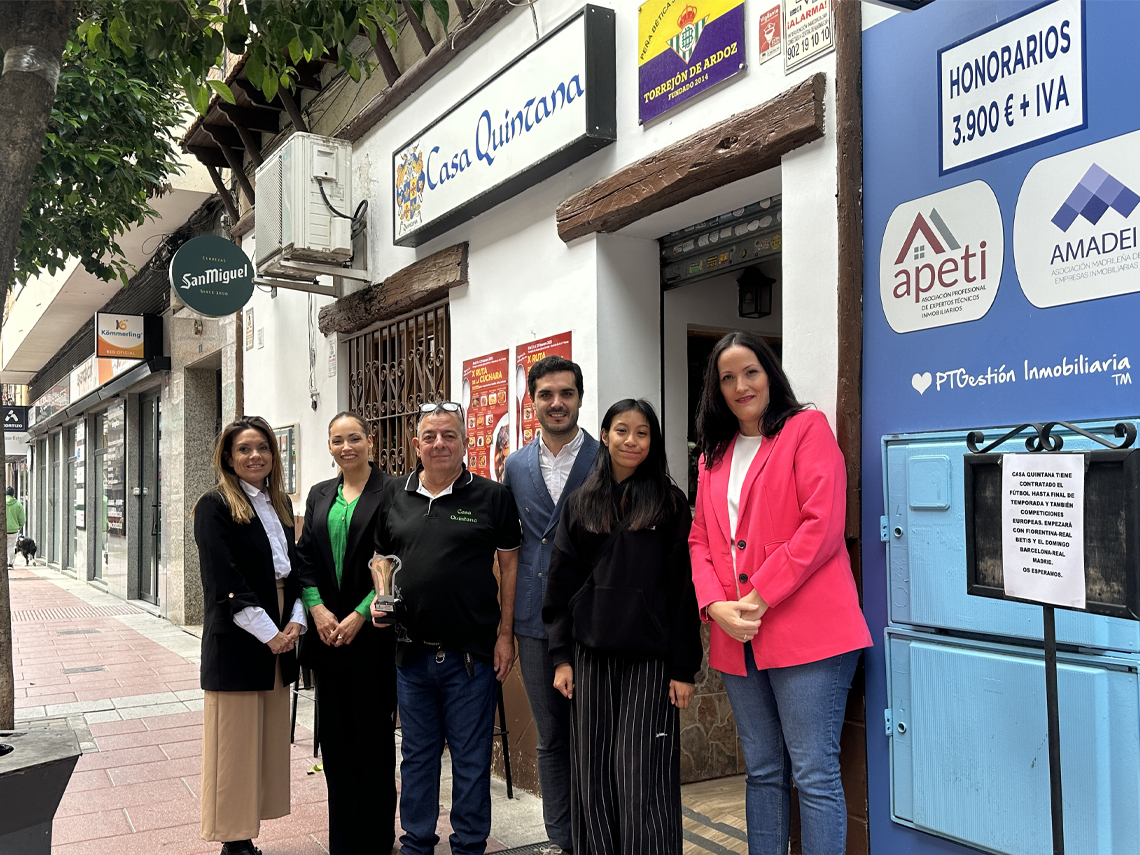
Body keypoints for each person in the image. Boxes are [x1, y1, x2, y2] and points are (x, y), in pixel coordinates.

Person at [688, 331, 872, 855]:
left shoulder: (806, 429)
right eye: (727, 377)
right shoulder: (712, 456)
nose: (741, 385)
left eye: (751, 371)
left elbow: (822, 524)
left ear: (770, 373)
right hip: (737, 635)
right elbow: (699, 538)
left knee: (813, 773)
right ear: (716, 388)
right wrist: (714, 605)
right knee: (763, 770)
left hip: (809, 632)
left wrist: (760, 596)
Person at [543, 398, 702, 855]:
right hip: (590, 656)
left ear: (653, 441)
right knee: (592, 772)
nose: (631, 441)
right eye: (621, 430)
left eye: (642, 433)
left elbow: (683, 590)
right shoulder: (581, 503)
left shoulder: (670, 504)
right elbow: (560, 585)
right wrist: (561, 658)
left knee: (641, 773)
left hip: (650, 660)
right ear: (605, 436)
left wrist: (683, 669)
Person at [371, 401, 521, 855]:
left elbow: (509, 567)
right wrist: (379, 597)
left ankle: (469, 846)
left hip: (471, 657)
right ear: (415, 444)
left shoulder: (492, 496)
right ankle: (416, 844)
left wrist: (505, 635)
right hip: (410, 654)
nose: (440, 443)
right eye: (430, 436)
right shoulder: (394, 494)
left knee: (471, 760)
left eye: (449, 435)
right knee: (417, 757)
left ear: (465, 443)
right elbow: (381, 558)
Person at [194, 416, 308, 855]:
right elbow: (224, 580)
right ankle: (234, 843)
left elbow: (292, 571)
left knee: (266, 741)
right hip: (240, 633)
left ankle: (247, 834)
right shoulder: (214, 505)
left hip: (280, 624)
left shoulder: (279, 505)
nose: (254, 455)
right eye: (244, 449)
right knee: (234, 745)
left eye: (262, 447)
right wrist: (270, 634)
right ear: (228, 457)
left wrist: (295, 620)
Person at [502, 356, 598, 855]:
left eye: (566, 393)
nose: (556, 403)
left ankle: (596, 835)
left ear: (580, 397)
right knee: (551, 736)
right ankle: (562, 839)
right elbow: (507, 546)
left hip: (596, 619)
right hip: (535, 618)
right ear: (532, 401)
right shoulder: (515, 466)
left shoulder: (607, 457)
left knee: (595, 734)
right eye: (546, 394)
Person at [296, 412, 397, 855]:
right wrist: (316, 609)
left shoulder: (393, 491)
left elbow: (393, 559)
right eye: (337, 440)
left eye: (354, 438)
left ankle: (375, 839)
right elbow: (304, 557)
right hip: (327, 639)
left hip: (371, 637)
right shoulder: (321, 493)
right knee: (335, 744)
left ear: (370, 441)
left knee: (373, 742)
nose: (346, 447)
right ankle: (343, 839)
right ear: (329, 446)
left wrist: (359, 614)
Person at [6, 486, 25, 564]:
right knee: (11, 546)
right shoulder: (18, 504)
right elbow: (22, 518)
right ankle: (10, 563)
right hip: (13, 530)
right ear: (13, 494)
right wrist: (20, 526)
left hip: (2, 529)